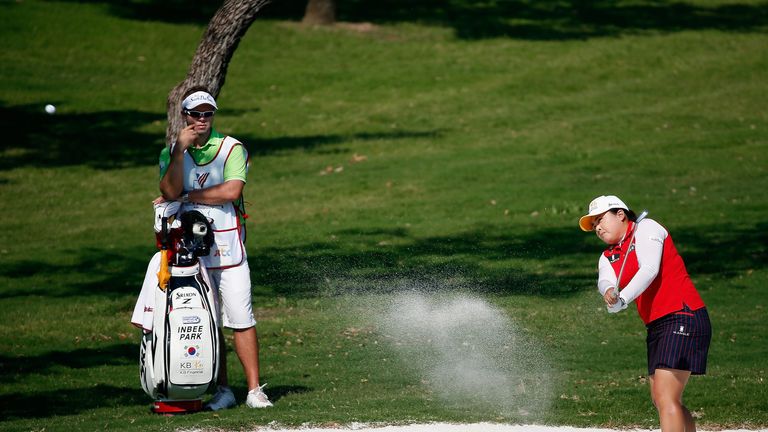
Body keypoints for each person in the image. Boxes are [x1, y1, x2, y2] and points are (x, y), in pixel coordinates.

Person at [156, 86, 272, 410]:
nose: (202, 119)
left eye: (208, 113)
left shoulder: (231, 148)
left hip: (230, 249)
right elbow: (167, 190)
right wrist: (179, 151)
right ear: (185, 116)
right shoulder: (171, 153)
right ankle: (223, 390)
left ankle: (253, 390)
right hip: (191, 255)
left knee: (242, 319)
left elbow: (232, 190)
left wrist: (188, 197)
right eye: (196, 114)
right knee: (209, 323)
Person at [579, 195, 711, 432]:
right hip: (658, 324)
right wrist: (610, 291)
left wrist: (623, 299)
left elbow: (649, 268)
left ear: (621, 214)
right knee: (664, 399)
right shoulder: (608, 255)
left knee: (665, 397)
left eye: (601, 219)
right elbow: (606, 279)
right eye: (594, 225)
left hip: (682, 313)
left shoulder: (647, 228)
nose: (598, 227)